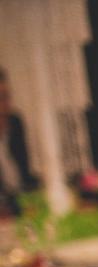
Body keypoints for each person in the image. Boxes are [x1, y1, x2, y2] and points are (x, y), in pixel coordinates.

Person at [0, 66, 38, 217]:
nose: (6, 104)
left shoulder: (15, 122)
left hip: (21, 199)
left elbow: (24, 170)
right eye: (1, 98)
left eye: (7, 96)